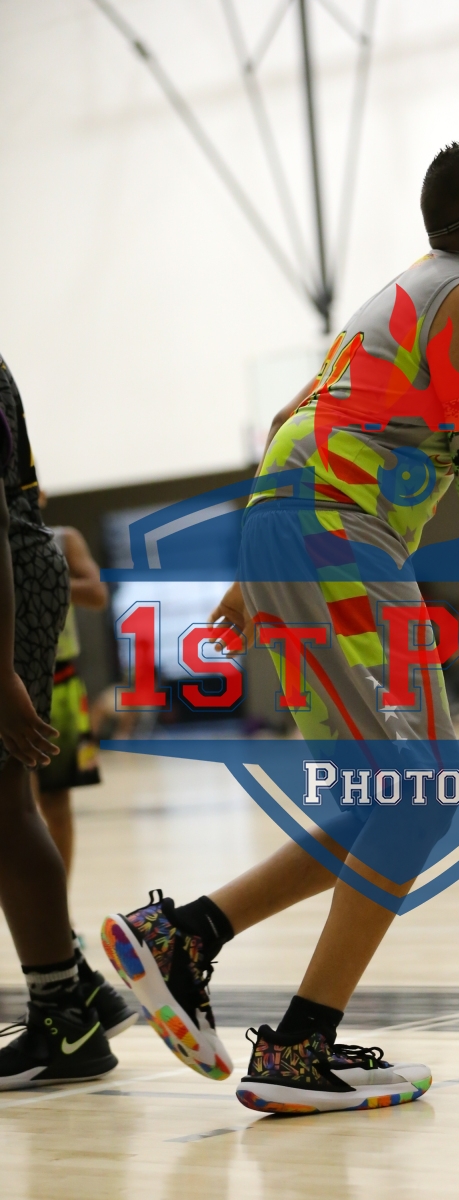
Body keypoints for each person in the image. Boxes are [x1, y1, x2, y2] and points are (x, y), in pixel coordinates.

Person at [101, 139, 459, 1115]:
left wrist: (259, 561)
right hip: (337, 536)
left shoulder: (405, 290)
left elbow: (292, 415)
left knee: (386, 798)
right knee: (421, 790)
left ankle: (187, 935)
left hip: (295, 523)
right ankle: (297, 1046)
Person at [0, 354, 137, 1089]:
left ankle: (63, 1015)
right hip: (22, 585)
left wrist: (1, 673)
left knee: (15, 806)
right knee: (14, 804)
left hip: (14, 593)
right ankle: (75, 988)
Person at [32, 503, 108, 879]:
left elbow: (97, 593)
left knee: (55, 802)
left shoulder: (63, 539)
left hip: (58, 683)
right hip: (10, 681)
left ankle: (58, 905)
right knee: (15, 806)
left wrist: (36, 581)